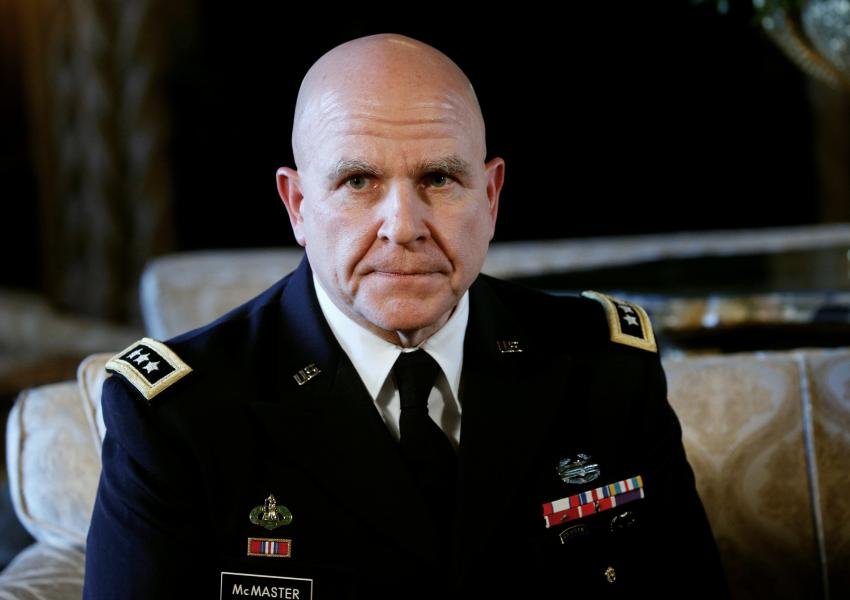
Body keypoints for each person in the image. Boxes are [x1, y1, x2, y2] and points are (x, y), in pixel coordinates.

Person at [83, 33, 728, 599]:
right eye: (358, 181)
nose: (404, 226)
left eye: (439, 179)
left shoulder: (603, 368)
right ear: (298, 206)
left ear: (491, 196)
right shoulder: (178, 421)